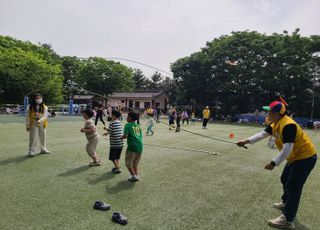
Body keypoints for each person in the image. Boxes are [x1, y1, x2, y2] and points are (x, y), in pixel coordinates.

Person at [236, 101, 317, 230]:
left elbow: (287, 149)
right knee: (284, 179)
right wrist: (245, 141)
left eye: (269, 111)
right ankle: (286, 203)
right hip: (295, 158)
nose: (267, 113)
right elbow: (263, 134)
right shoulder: (275, 123)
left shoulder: (288, 125)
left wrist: (273, 163)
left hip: (305, 158)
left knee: (294, 187)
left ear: (276, 113)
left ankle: (287, 219)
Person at [122, 112, 143, 182]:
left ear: (130, 118)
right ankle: (136, 175)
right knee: (135, 163)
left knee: (128, 163)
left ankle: (134, 176)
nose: (126, 118)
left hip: (132, 146)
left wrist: (120, 138)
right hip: (140, 146)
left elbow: (125, 135)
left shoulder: (128, 125)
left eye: (127, 116)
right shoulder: (138, 126)